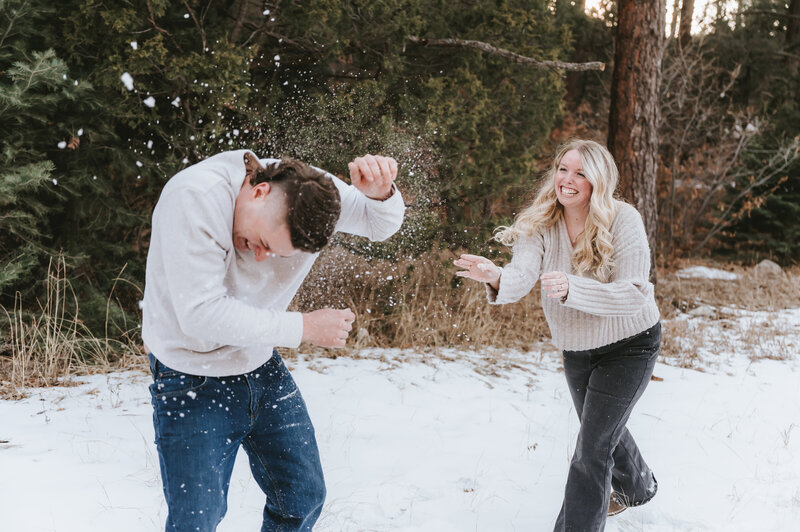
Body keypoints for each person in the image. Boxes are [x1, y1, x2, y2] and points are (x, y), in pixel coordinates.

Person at [141, 149, 405, 532]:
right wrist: (304, 328)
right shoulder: (195, 197)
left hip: (261, 367)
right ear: (259, 191)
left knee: (302, 497)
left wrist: (380, 194)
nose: (262, 257)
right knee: (195, 522)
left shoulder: (312, 192)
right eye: (263, 240)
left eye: (278, 253)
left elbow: (378, 225)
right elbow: (201, 315)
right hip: (191, 376)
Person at [454, 139, 661, 531]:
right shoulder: (542, 223)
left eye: (580, 172)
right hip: (578, 349)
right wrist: (496, 276)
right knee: (601, 430)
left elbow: (634, 294)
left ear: (598, 180)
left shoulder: (623, 219)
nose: (567, 179)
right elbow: (522, 274)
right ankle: (637, 487)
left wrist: (572, 288)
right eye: (563, 169)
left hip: (630, 345)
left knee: (592, 449)